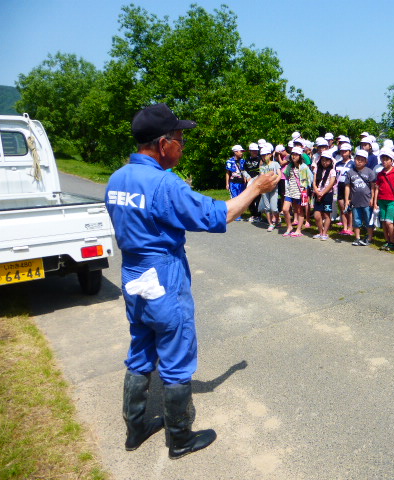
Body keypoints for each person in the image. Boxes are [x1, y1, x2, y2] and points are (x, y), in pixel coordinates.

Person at [105, 103, 279, 459]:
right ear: (163, 143)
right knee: (176, 356)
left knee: (140, 350)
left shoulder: (118, 178)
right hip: (163, 276)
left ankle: (134, 430)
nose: (183, 146)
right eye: (180, 140)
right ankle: (180, 439)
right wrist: (254, 188)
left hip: (133, 274)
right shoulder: (164, 183)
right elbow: (219, 214)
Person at [374, 148, 394, 251]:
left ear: (392, 161)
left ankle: (392, 241)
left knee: (389, 222)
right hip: (382, 200)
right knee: (383, 222)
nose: (384, 161)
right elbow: (377, 187)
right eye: (382, 159)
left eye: (387, 159)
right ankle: (387, 241)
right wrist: (375, 201)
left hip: (392, 200)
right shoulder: (380, 173)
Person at [344, 149, 377, 246]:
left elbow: (373, 187)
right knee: (356, 220)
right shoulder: (350, 172)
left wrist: (372, 198)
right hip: (355, 201)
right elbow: (347, 187)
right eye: (357, 159)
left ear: (366, 161)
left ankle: (369, 237)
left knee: (368, 220)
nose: (359, 161)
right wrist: (347, 199)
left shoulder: (370, 172)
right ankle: (357, 238)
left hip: (367, 200)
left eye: (362, 160)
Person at [281, 146, 312, 237]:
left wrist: (305, 190)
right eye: (292, 154)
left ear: (300, 156)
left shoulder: (304, 167)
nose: (294, 156)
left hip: (300, 192)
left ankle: (298, 230)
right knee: (285, 209)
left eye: (296, 154)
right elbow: (286, 176)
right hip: (290, 191)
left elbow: (309, 179)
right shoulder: (289, 166)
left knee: (299, 211)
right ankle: (289, 227)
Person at [312, 151, 336, 240]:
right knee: (317, 215)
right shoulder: (317, 169)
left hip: (327, 195)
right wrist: (317, 191)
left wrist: (323, 193)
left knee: (326, 214)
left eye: (327, 160)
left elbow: (331, 183)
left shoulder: (332, 171)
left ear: (330, 161)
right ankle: (320, 231)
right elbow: (314, 182)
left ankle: (325, 233)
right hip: (318, 194)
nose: (324, 162)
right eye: (323, 160)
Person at [258, 145, 281, 231]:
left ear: (270, 155)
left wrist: (275, 181)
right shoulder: (262, 167)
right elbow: (261, 176)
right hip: (265, 189)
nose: (264, 157)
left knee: (273, 208)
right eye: (262, 155)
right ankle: (270, 223)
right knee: (267, 208)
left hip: (274, 188)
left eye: (266, 155)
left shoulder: (275, 164)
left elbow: (279, 174)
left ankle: (277, 219)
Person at [334, 144, 355, 235]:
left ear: (350, 152)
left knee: (349, 207)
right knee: (342, 207)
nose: (343, 153)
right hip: (339, 186)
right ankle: (345, 227)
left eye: (345, 151)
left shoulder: (353, 163)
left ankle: (350, 227)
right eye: (342, 151)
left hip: (349, 187)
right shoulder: (337, 163)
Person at [225, 145, 248, 221]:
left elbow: (244, 172)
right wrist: (227, 183)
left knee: (241, 198)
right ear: (235, 152)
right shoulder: (230, 161)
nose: (241, 153)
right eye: (240, 151)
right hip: (233, 182)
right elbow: (228, 173)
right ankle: (236, 215)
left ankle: (240, 213)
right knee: (234, 198)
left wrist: (245, 180)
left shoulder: (243, 161)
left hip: (241, 182)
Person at [243, 143, 262, 222]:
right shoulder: (247, 160)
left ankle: (258, 215)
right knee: (249, 198)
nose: (255, 152)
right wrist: (247, 177)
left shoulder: (260, 159)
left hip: (257, 180)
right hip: (249, 181)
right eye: (253, 151)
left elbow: (261, 170)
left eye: (256, 151)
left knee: (258, 198)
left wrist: (257, 178)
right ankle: (253, 214)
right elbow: (244, 170)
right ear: (250, 151)